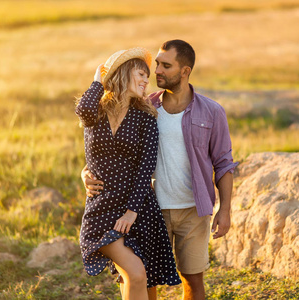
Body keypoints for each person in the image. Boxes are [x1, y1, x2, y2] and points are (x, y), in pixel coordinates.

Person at [82, 40, 237, 300]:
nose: (157, 72)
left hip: (193, 209)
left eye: (166, 66)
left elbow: (224, 163)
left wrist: (225, 210)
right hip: (151, 208)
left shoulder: (211, 112)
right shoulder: (146, 108)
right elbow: (111, 150)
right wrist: (85, 173)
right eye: (157, 65)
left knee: (193, 280)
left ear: (185, 71)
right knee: (143, 279)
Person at [75, 47, 181, 300]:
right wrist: (97, 82)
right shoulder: (96, 112)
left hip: (137, 209)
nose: (147, 80)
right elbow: (82, 110)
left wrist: (131, 212)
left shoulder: (145, 118)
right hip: (102, 209)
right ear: (123, 73)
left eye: (148, 76)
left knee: (133, 277)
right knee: (135, 274)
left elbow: (146, 169)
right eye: (141, 74)